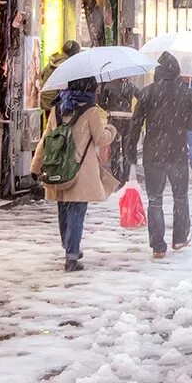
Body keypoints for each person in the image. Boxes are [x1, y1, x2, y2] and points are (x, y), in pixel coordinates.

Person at [32, 77, 118, 272]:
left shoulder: (57, 108)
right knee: (77, 211)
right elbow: (101, 139)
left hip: (59, 167)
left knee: (64, 209)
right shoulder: (91, 110)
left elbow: (46, 139)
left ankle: (69, 246)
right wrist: (111, 129)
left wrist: (35, 166)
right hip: (81, 170)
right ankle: (71, 255)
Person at [126, 53, 192, 259]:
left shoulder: (147, 93)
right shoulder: (187, 94)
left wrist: (131, 151)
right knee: (180, 197)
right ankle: (179, 238)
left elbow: (136, 125)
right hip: (178, 152)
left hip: (154, 152)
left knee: (155, 199)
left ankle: (158, 245)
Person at [97, 77, 138, 184]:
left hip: (114, 120)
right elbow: (141, 96)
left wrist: (109, 108)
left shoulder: (108, 85)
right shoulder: (130, 85)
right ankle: (126, 177)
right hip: (128, 120)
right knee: (126, 150)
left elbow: (100, 101)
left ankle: (116, 177)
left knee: (114, 150)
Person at [39, 40, 82, 113]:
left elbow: (42, 75)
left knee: (50, 122)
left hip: (45, 99)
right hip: (57, 102)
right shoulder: (68, 65)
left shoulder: (54, 61)